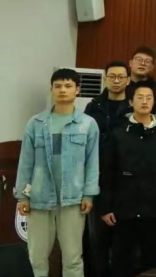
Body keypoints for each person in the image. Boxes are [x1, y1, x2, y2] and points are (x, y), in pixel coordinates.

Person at [15, 69, 100, 277]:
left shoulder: (87, 124)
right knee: (37, 257)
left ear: (77, 90)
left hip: (73, 199)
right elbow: (25, 162)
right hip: (39, 198)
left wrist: (89, 194)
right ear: (51, 89)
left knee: (73, 258)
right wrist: (22, 195)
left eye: (68, 86)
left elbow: (92, 162)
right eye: (58, 86)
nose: (63, 90)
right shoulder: (36, 123)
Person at [100, 82, 156, 277]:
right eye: (140, 97)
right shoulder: (118, 133)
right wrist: (106, 206)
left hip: (154, 207)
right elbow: (108, 172)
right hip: (124, 207)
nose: (144, 101)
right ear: (131, 102)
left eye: (149, 98)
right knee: (121, 258)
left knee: (152, 258)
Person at [84, 61, 131, 277]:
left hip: (126, 179)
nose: (116, 81)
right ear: (105, 78)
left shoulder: (133, 106)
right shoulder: (93, 107)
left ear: (128, 80)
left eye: (121, 77)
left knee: (124, 242)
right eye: (112, 76)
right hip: (96, 175)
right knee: (97, 240)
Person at [126, 46, 156, 114]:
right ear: (130, 63)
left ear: (152, 67)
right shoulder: (121, 85)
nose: (142, 63)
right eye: (139, 60)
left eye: (147, 61)